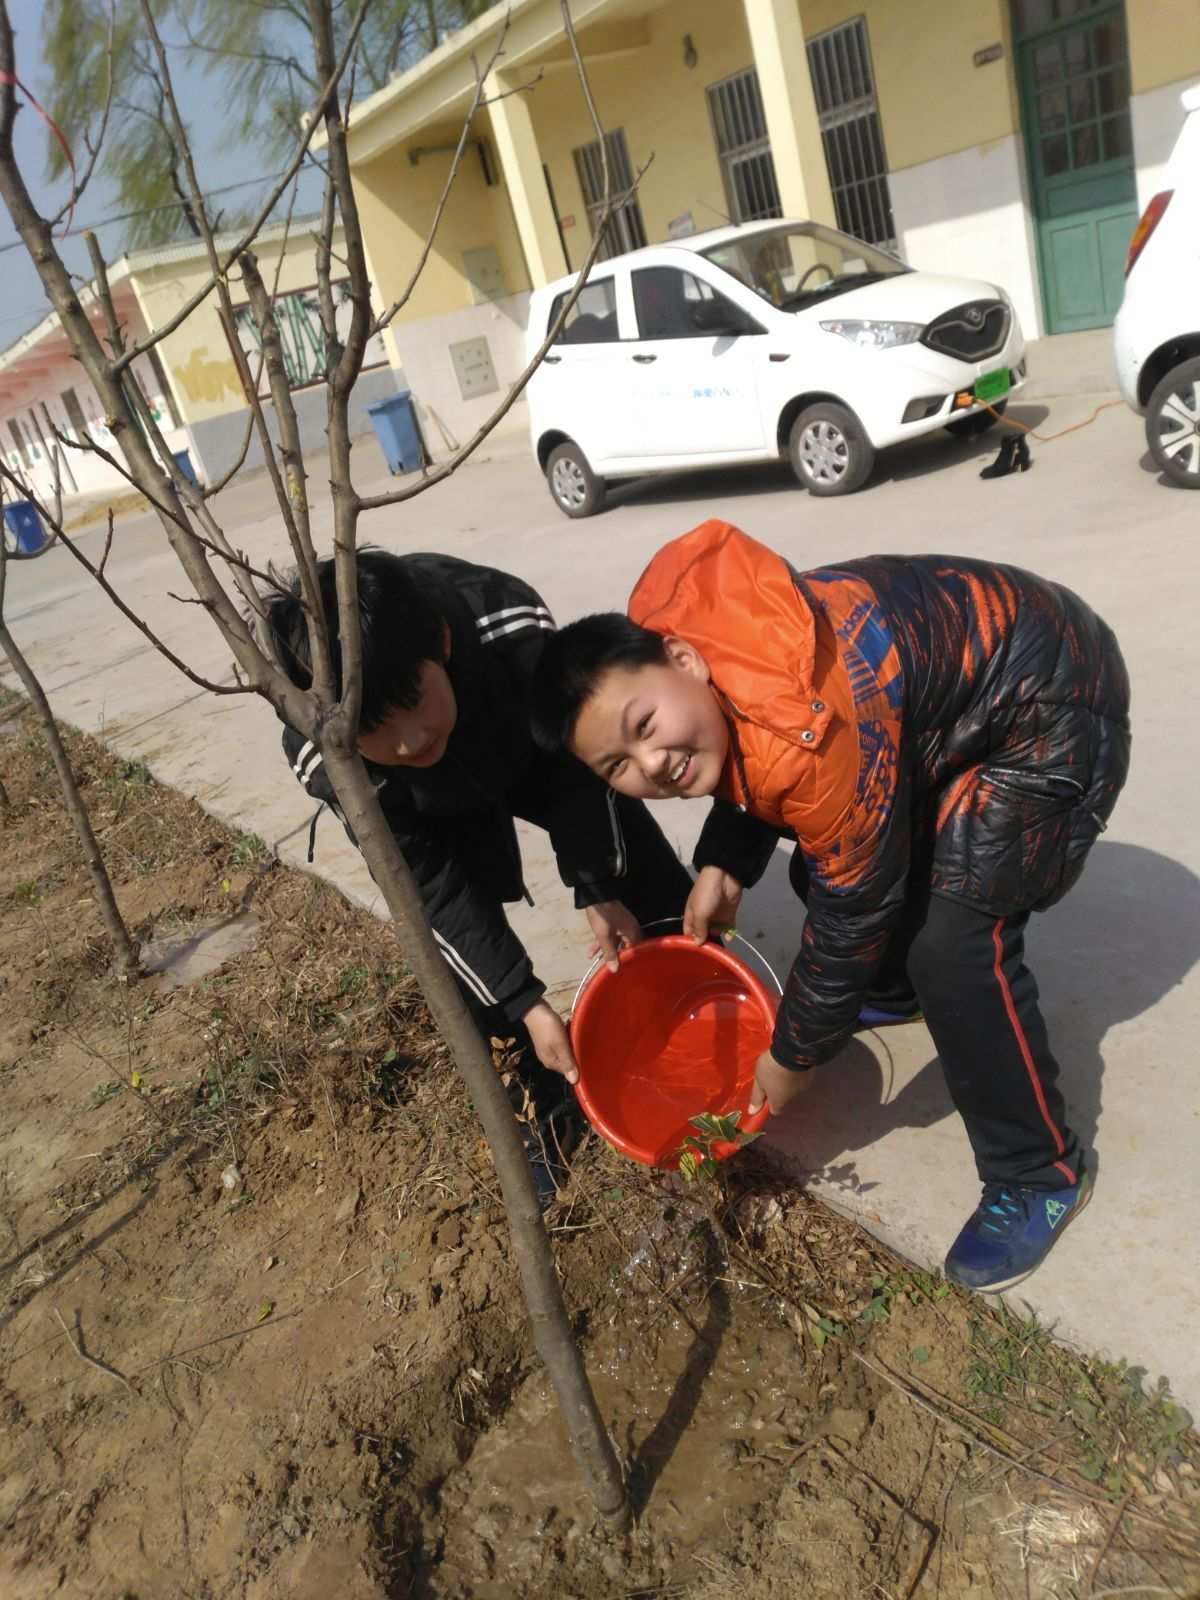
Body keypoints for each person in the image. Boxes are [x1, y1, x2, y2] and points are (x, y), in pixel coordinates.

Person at [530, 520, 1131, 1291]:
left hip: (1051, 708)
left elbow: (849, 892)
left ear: (681, 658)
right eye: (618, 764)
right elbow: (763, 733)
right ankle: (895, 992)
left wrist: (792, 1055)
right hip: (964, 696)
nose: (652, 763)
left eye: (644, 727)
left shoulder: (810, 734)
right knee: (829, 869)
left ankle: (1037, 1172)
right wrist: (726, 856)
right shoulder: (704, 633)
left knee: (952, 944)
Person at [264, 549, 692, 1205]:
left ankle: (687, 999)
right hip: (423, 811)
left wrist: (595, 883)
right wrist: (522, 1000)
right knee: (471, 973)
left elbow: (581, 761)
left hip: (530, 750)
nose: (409, 740)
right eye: (377, 728)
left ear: (439, 642)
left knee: (631, 859)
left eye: (413, 700)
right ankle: (548, 1116)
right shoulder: (328, 751)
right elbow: (429, 887)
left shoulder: (506, 626)